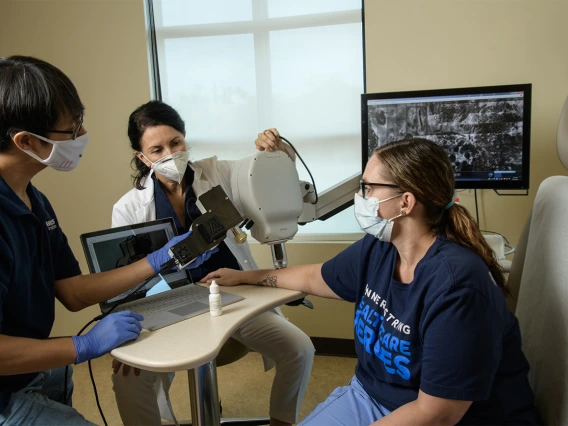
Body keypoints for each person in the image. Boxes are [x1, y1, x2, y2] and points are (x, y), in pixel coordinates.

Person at [203, 138, 542, 425]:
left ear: (405, 202)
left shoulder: (458, 286)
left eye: (368, 187)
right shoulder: (379, 248)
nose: (361, 197)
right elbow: (311, 276)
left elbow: (438, 412)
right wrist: (247, 276)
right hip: (371, 395)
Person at [0, 56, 213, 425]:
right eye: (72, 130)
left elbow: (73, 292)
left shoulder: (34, 200)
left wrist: (155, 261)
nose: (82, 136)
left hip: (31, 370)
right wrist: (82, 346)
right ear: (26, 141)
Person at [110, 100, 315, 426]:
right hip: (169, 303)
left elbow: (260, 172)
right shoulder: (129, 208)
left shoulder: (217, 173)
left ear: (186, 139)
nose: (170, 154)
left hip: (231, 292)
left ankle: (283, 421)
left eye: (176, 143)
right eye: (157, 148)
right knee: (129, 377)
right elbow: (129, 280)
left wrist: (273, 149)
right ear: (142, 156)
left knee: (299, 349)